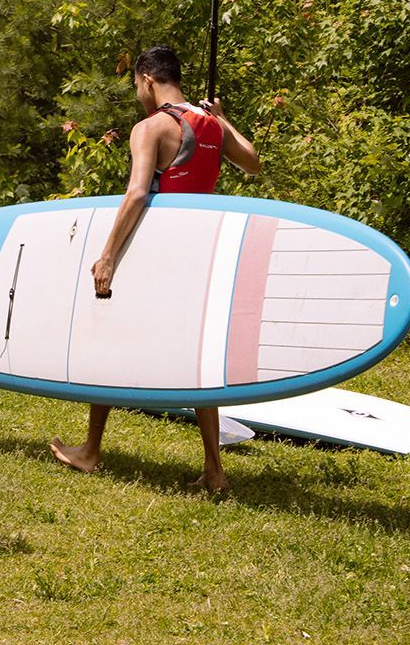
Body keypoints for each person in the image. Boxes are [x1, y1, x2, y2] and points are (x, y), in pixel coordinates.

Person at [49, 44, 261, 490]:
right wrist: (222, 117)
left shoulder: (150, 128)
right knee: (194, 358)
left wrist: (107, 254)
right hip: (198, 252)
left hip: (155, 250)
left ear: (147, 79)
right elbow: (254, 164)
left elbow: (138, 194)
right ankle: (214, 469)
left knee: (105, 337)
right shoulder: (210, 126)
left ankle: (89, 452)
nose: (137, 95)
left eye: (135, 86)